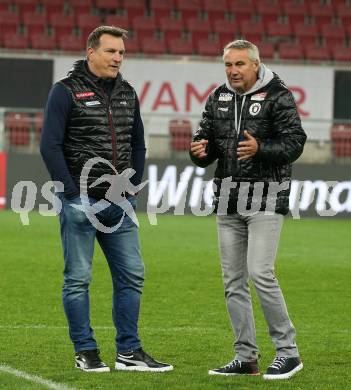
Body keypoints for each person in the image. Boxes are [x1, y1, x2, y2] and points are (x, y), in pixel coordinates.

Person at [40, 26, 173, 373]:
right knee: (78, 280)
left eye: (121, 53)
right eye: (111, 51)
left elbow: (139, 144)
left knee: (132, 277)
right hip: (80, 201)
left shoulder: (128, 93)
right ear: (91, 53)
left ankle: (129, 352)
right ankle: (86, 351)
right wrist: (70, 192)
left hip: (119, 203)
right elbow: (49, 145)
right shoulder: (65, 91)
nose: (117, 58)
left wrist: (132, 184)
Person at [190, 40, 306, 380]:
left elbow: (295, 142)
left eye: (239, 64)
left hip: (266, 197)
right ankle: (246, 357)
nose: (233, 71)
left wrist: (261, 148)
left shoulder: (278, 95)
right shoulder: (218, 97)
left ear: (256, 65)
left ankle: (289, 352)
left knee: (260, 274)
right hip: (228, 198)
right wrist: (198, 151)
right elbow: (206, 141)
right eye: (228, 65)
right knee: (233, 281)